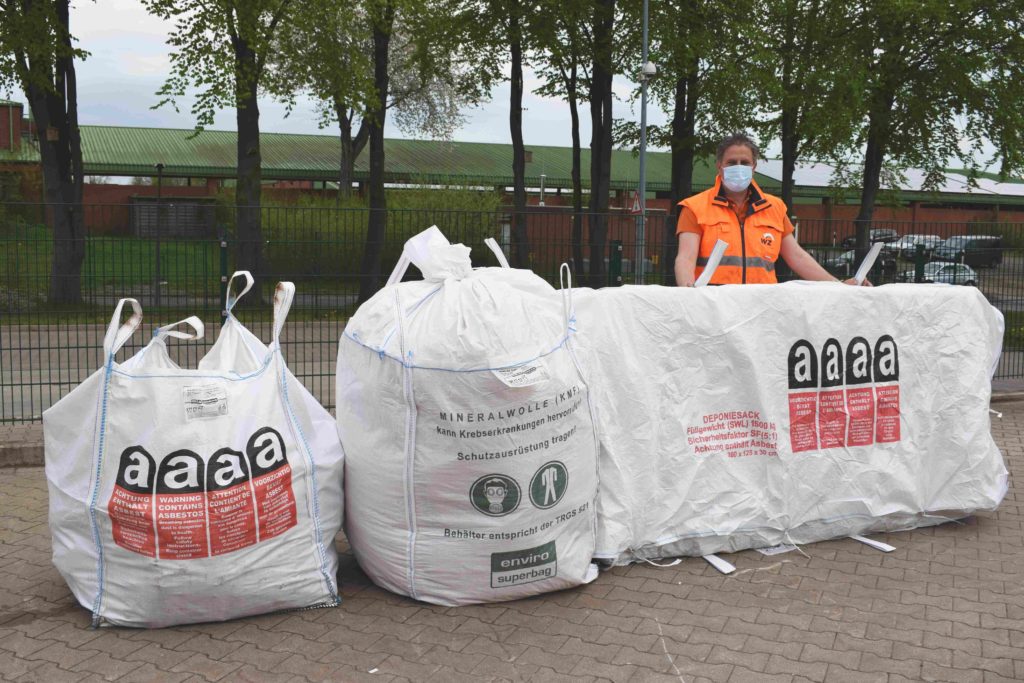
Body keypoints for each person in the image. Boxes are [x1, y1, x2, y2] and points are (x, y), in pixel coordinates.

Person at [674, 133, 869, 287]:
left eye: (745, 163)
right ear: (719, 166)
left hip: (763, 309)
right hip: (715, 307)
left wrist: (838, 286)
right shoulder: (695, 207)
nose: (738, 167)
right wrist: (688, 291)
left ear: (754, 167)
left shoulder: (774, 208)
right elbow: (686, 257)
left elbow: (797, 257)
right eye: (732, 163)